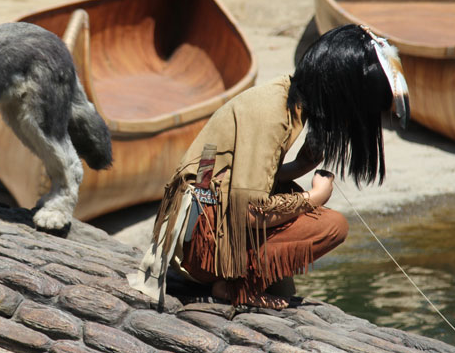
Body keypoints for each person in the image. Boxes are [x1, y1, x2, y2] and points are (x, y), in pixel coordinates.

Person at [129, 24, 409, 310]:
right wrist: (314, 198)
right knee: (331, 225)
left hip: (202, 225)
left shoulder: (285, 98)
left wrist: (299, 167)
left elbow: (238, 180)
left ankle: (234, 278)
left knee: (292, 193)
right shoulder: (273, 113)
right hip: (197, 243)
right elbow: (248, 211)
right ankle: (235, 287)